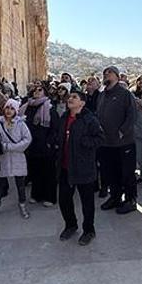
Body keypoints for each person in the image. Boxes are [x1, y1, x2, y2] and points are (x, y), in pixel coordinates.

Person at [56, 90, 105, 246]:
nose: (70, 99)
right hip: (65, 167)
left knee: (87, 203)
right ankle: (70, 225)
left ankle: (89, 230)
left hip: (84, 168)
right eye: (69, 97)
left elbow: (100, 138)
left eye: (74, 97)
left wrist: (85, 142)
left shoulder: (89, 120)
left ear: (82, 103)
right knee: (64, 200)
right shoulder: (64, 117)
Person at [96, 66, 139, 214]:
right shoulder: (101, 95)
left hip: (123, 142)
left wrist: (122, 131)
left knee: (127, 173)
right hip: (106, 142)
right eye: (104, 73)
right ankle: (115, 197)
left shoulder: (125, 94)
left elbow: (132, 115)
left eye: (109, 73)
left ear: (117, 76)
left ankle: (130, 200)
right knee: (110, 172)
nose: (106, 75)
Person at [0, 99, 32, 219]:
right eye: (7, 108)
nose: (9, 111)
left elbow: (27, 139)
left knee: (20, 183)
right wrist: (2, 147)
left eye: (12, 108)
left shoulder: (21, 124)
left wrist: (12, 147)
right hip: (3, 157)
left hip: (17, 156)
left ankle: (22, 204)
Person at [19, 84, 59, 207]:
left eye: (40, 90)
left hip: (46, 144)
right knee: (35, 170)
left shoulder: (50, 107)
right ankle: (36, 194)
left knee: (48, 171)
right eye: (34, 90)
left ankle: (49, 197)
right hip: (32, 144)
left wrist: (50, 142)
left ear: (45, 93)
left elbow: (55, 127)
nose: (36, 91)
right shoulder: (27, 106)